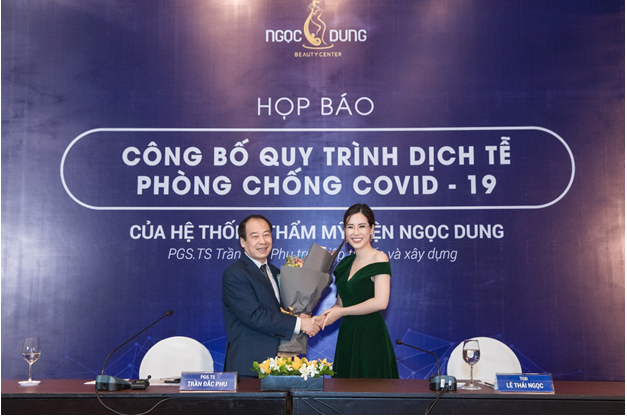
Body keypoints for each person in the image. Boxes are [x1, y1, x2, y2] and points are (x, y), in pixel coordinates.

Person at [222, 214, 321, 377]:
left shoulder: (275, 272)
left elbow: (281, 310)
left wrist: (298, 315)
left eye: (266, 234)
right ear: (243, 242)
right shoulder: (235, 274)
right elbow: (255, 316)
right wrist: (299, 323)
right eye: (255, 236)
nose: (262, 241)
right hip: (250, 369)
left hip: (278, 365)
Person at [319, 203, 399, 378]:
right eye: (350, 227)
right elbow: (340, 303)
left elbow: (380, 302)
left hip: (371, 337)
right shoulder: (344, 264)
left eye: (362, 226)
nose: (356, 232)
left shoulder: (379, 258)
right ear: (345, 231)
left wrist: (342, 312)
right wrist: (322, 318)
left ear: (372, 229)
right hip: (347, 336)